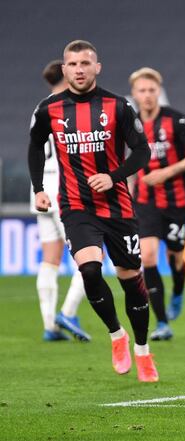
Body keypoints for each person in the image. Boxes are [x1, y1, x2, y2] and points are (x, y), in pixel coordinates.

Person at [28, 40, 158, 382]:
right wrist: (39, 189)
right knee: (88, 270)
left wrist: (113, 176)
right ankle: (117, 336)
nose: (79, 69)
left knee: (131, 282)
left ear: (97, 67)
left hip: (117, 207)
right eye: (73, 64)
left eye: (85, 63)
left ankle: (143, 351)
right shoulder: (49, 109)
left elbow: (142, 152)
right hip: (75, 206)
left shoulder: (118, 106)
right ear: (65, 69)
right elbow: (35, 147)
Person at [129, 67, 185, 341]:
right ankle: (162, 322)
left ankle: (177, 291)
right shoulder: (130, 123)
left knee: (175, 257)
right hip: (144, 202)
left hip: (177, 201)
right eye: (142, 90)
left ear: (158, 92)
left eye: (152, 90)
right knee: (147, 257)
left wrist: (166, 172)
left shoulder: (176, 120)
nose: (148, 95)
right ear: (135, 94)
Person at [32, 60, 90, 342]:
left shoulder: (39, 109)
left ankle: (49, 326)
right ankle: (67, 312)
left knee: (50, 258)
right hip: (66, 187)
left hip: (41, 186)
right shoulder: (70, 107)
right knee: (90, 254)